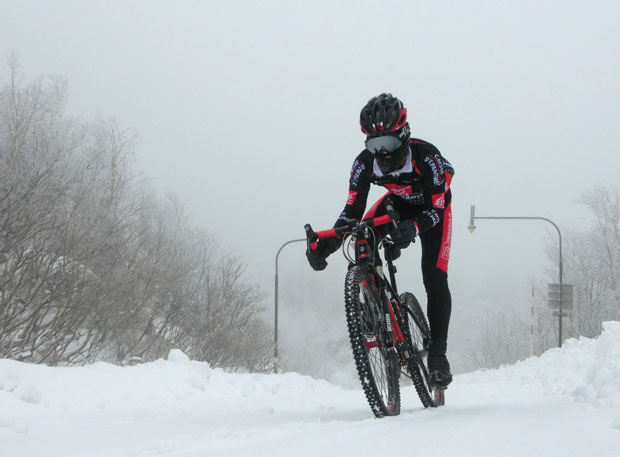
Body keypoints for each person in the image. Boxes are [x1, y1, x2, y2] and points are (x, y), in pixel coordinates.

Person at [306, 93, 454, 387]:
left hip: (433, 210)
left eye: (386, 143)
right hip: (397, 204)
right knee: (363, 235)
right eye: (374, 145)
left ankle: (437, 353)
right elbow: (351, 213)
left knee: (434, 278)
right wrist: (327, 246)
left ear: (403, 135)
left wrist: (415, 227)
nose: (382, 153)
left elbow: (437, 207)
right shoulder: (363, 164)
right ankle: (374, 305)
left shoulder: (428, 157)